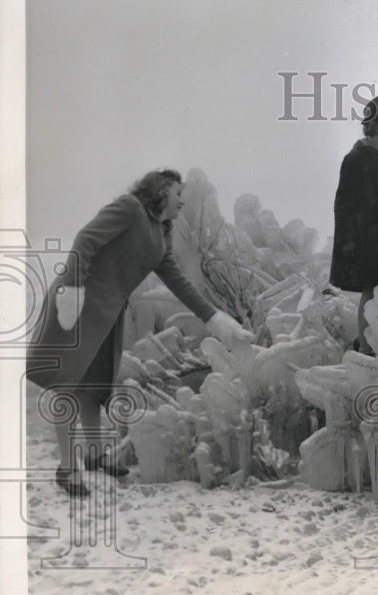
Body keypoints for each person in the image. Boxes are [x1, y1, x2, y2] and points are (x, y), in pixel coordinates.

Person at [26, 169, 252, 497]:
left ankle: (93, 455)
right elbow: (85, 240)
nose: (182, 200)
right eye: (177, 193)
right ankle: (67, 468)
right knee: (68, 384)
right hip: (78, 304)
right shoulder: (130, 208)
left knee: (93, 386)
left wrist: (216, 319)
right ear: (160, 190)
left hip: (108, 314)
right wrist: (73, 290)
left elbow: (181, 285)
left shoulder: (161, 236)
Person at [329, 95, 378, 355]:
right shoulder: (355, 160)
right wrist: (349, 243)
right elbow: (343, 206)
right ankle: (365, 350)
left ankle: (377, 347)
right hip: (367, 241)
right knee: (371, 293)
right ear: (374, 126)